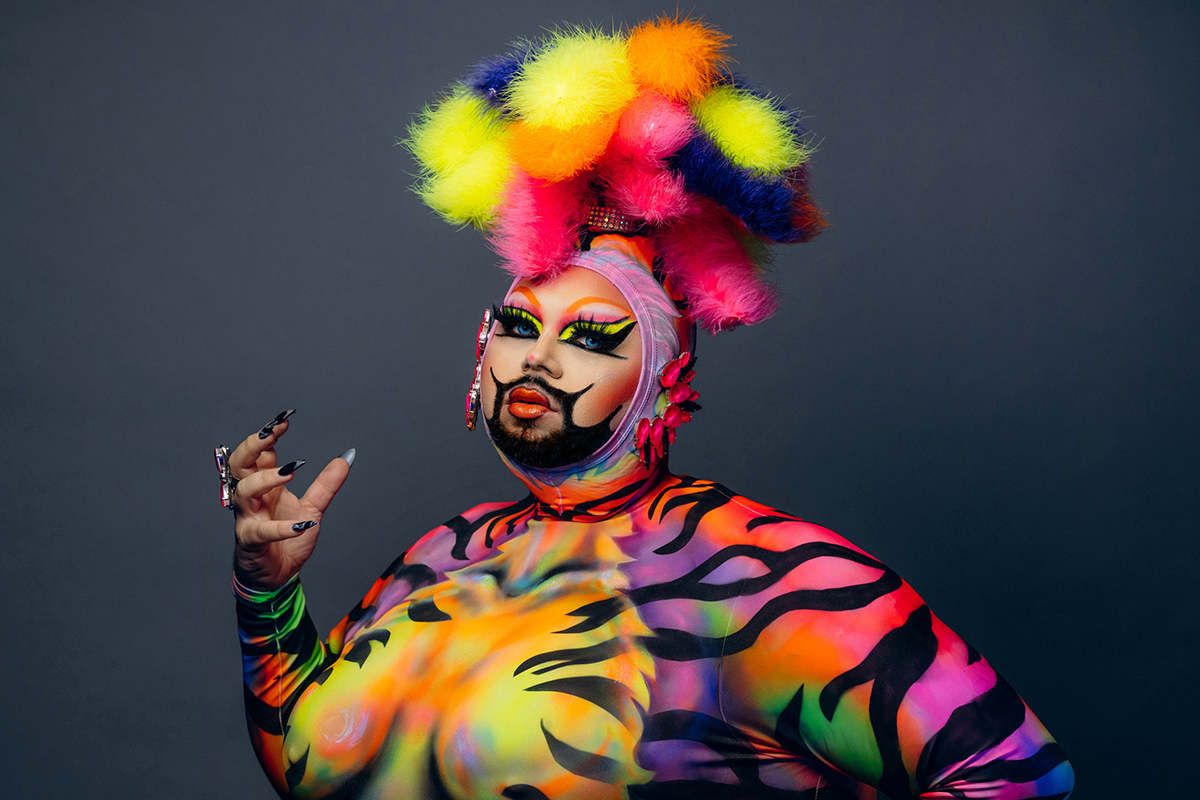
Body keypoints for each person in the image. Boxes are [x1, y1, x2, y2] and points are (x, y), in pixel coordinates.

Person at [220, 17, 1075, 799]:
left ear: (662, 378)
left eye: (593, 338)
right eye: (521, 325)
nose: (540, 355)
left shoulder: (755, 578)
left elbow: (1019, 779)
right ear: (483, 351)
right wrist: (268, 598)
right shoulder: (443, 554)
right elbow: (311, 759)